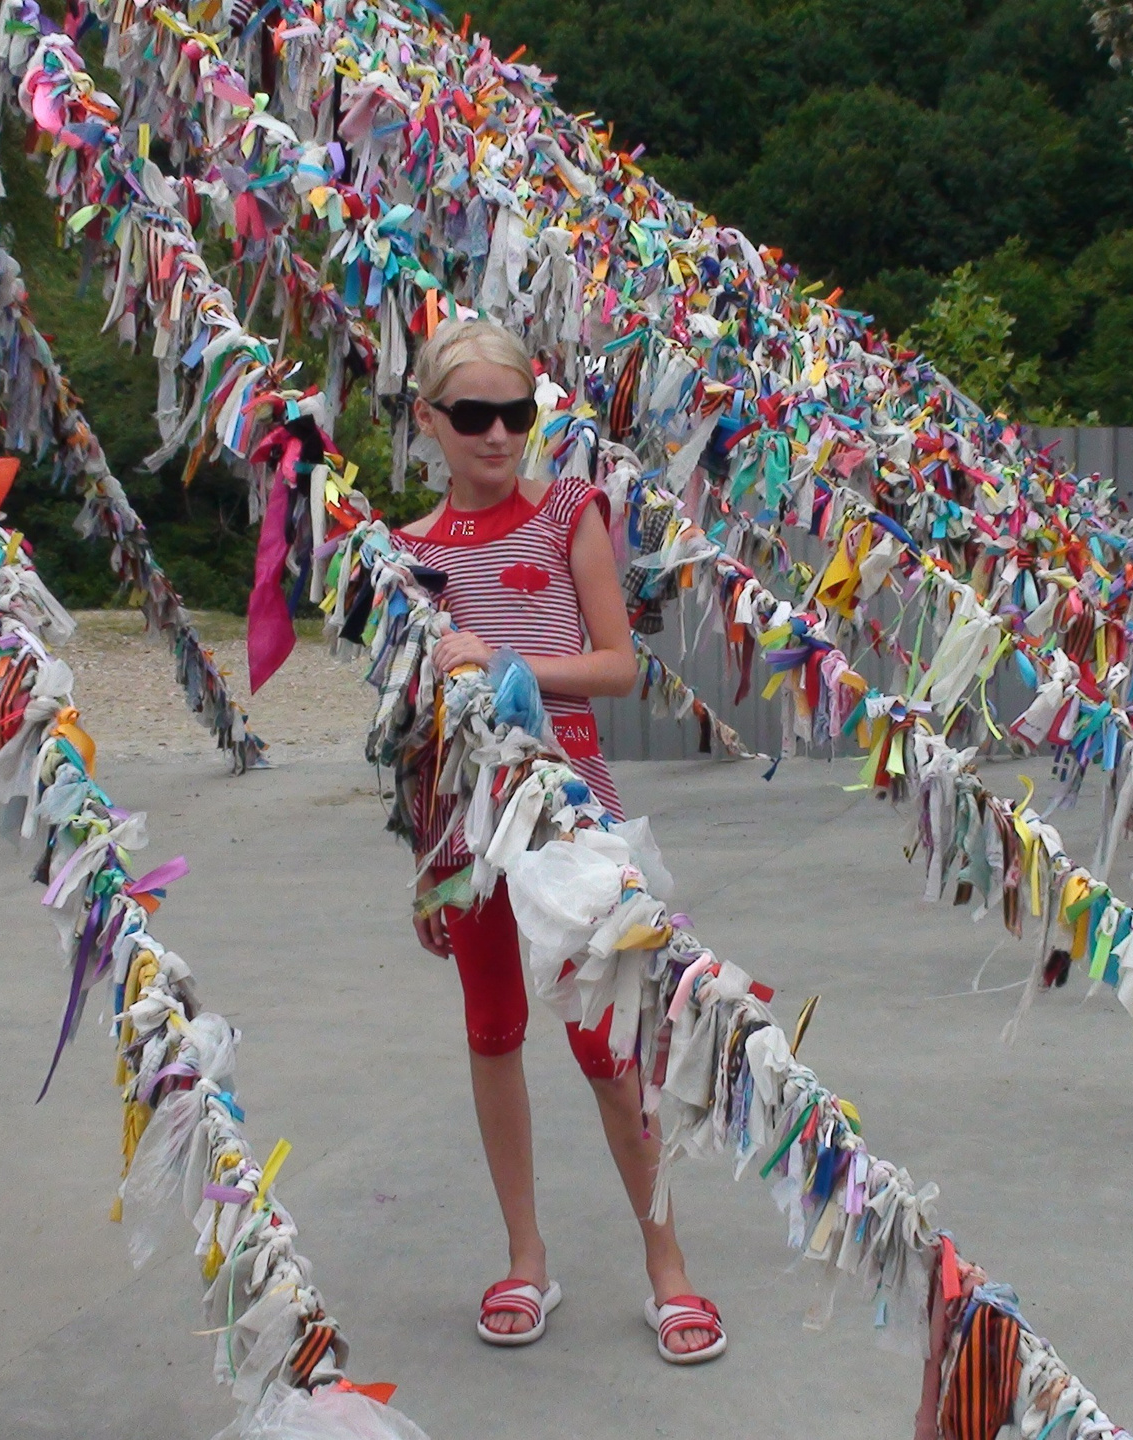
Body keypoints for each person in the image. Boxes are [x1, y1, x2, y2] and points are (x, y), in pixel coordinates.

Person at [393, 316, 727, 1366]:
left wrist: (509, 665)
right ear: (429, 421)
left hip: (570, 812)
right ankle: (525, 1257)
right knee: (493, 1032)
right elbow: (411, 723)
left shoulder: (571, 512)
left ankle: (667, 1268)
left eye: (517, 414)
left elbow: (621, 666)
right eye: (474, 416)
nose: (498, 437)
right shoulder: (407, 555)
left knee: (605, 1042)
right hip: (465, 825)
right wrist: (426, 865)